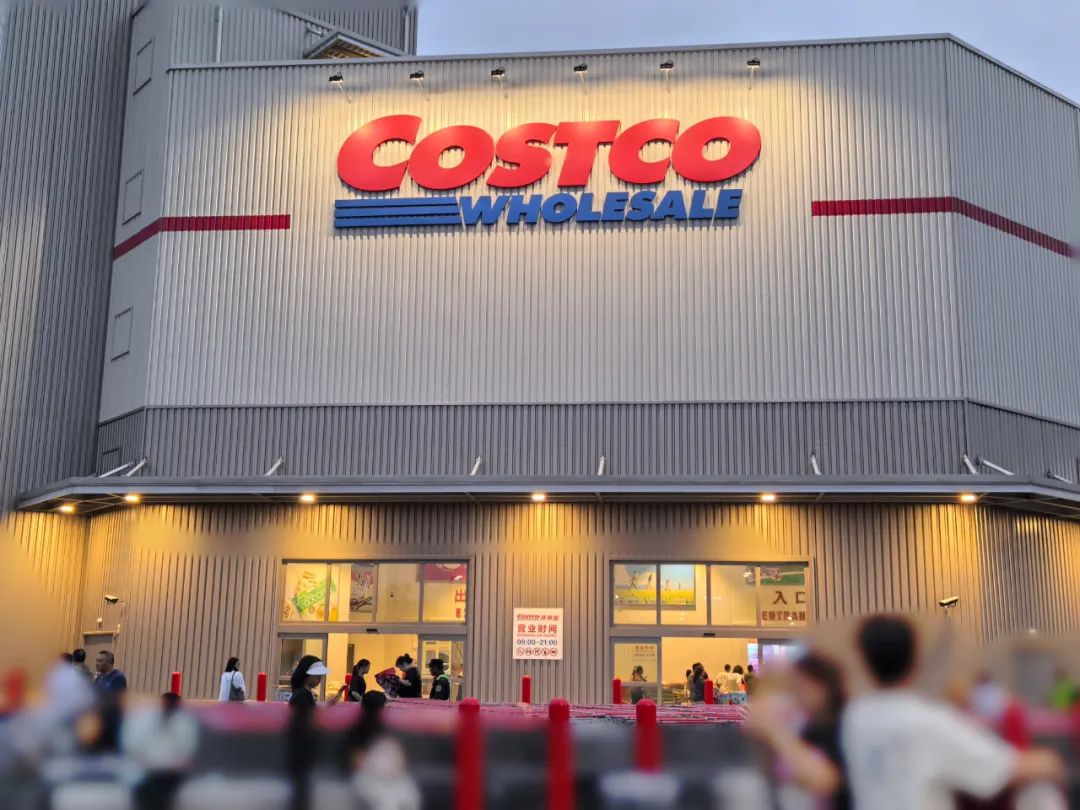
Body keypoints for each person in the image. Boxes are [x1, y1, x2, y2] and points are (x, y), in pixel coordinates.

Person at [842, 615, 1065, 810]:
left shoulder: (855, 718)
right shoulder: (927, 721)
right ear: (917, 659)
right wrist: (1050, 761)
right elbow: (1002, 770)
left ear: (864, 661)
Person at [741, 653, 851, 809]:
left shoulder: (840, 727)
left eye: (800, 687)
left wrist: (774, 731)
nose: (796, 694)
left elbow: (825, 781)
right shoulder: (803, 725)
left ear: (823, 688)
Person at [121, 692, 199, 810]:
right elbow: (133, 746)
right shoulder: (144, 719)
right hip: (147, 772)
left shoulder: (185, 722)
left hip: (171, 775)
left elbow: (187, 752)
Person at [286, 655, 345, 810]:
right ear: (306, 675)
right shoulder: (301, 697)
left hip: (302, 753)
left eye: (321, 676)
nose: (320, 679)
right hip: (302, 753)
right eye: (317, 675)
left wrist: (328, 705)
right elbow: (306, 722)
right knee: (302, 795)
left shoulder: (303, 694)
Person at [348, 691, 421, 809]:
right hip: (367, 778)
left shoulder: (383, 728)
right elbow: (356, 760)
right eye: (385, 705)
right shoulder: (359, 731)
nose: (387, 707)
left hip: (386, 777)